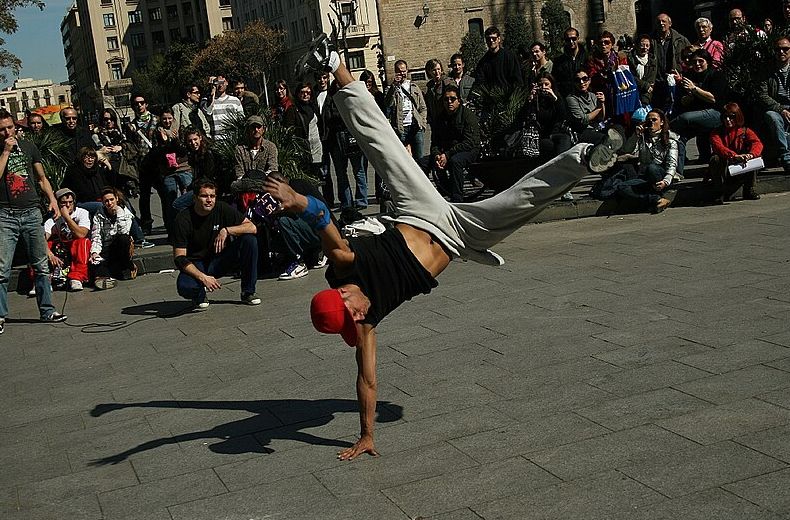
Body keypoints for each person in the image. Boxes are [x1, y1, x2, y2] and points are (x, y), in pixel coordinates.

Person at [286, 35, 624, 459]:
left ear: (340, 293)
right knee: (517, 204)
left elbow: (322, 220)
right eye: (350, 322)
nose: (357, 317)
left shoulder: (343, 266)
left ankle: (335, 64)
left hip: (416, 211)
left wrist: (296, 200)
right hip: (459, 236)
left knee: (384, 147)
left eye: (348, 312)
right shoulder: (365, 323)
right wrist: (367, 434)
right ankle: (586, 156)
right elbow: (367, 380)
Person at [0, 108, 67, 332]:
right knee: (2, 268)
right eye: (2, 129)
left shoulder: (29, 146)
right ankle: (0, 315)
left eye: (10, 127)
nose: (7, 132)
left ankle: (47, 310)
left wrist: (52, 199)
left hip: (31, 212)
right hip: (5, 215)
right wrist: (6, 152)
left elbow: (41, 177)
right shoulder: (2, 149)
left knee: (40, 264)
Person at [172, 179, 260, 309]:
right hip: (196, 263)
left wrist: (227, 230)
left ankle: (248, 291)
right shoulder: (183, 219)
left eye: (212, 196)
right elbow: (179, 258)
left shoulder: (221, 208)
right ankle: (199, 294)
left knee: (249, 240)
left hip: (219, 259)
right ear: (195, 198)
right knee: (185, 287)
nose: (209, 200)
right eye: (204, 196)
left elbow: (252, 227)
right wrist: (203, 278)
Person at [593, 108, 676, 213]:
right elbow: (628, 150)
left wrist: (666, 181)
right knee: (621, 187)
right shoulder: (643, 137)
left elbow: (672, 164)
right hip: (645, 177)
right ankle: (657, 199)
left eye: (654, 120)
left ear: (662, 122)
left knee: (652, 168)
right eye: (648, 120)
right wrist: (635, 135)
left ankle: (653, 198)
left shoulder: (670, 139)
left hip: (661, 176)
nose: (651, 123)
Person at [669, 48, 727, 176]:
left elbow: (713, 98)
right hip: (696, 115)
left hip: (714, 113)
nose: (697, 64)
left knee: (683, 118)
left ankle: (666, 126)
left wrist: (694, 89)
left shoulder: (716, 75)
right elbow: (682, 102)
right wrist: (689, 96)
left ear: (708, 62)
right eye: (694, 62)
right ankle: (676, 172)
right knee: (678, 137)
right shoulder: (689, 76)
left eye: (701, 61)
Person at [419, 84, 480, 203]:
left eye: (453, 99)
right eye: (446, 99)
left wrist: (447, 154)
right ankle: (424, 197)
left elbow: (470, 141)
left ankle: (457, 198)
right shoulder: (440, 118)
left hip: (468, 150)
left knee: (455, 161)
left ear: (459, 100)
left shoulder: (467, 115)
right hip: (447, 152)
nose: (449, 102)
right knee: (422, 162)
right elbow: (435, 141)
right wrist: (437, 154)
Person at [709, 102, 763, 204]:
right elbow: (718, 147)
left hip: (741, 167)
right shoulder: (716, 132)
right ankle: (719, 192)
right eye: (725, 117)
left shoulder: (746, 131)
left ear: (737, 117)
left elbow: (757, 143)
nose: (728, 120)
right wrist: (734, 156)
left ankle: (749, 189)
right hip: (725, 168)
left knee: (756, 156)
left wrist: (751, 154)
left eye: (731, 117)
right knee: (715, 159)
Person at [43, 188, 91, 291]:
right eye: (64, 203)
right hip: (61, 249)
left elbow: (81, 234)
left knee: (83, 242)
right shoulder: (52, 220)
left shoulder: (82, 213)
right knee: (43, 244)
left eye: (70, 202)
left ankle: (77, 278)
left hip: (76, 247)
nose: (68, 205)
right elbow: (42, 239)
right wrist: (50, 254)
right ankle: (43, 280)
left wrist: (66, 217)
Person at [90, 187, 137, 289]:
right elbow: (96, 235)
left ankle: (126, 267)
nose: (109, 203)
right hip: (106, 246)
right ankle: (103, 279)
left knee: (123, 239)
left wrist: (119, 214)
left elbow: (124, 232)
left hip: (120, 244)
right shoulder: (98, 216)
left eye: (111, 200)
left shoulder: (125, 213)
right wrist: (95, 252)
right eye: (106, 201)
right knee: (99, 261)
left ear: (116, 199)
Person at [756, 36, 790, 174]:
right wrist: (781, 110)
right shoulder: (767, 71)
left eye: (785, 49)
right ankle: (786, 157)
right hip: (777, 108)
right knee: (773, 118)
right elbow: (762, 95)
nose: (781, 52)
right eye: (778, 49)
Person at [384, 60, 428, 162]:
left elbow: (422, 107)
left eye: (403, 71)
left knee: (420, 159)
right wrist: (394, 86)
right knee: (405, 161)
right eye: (399, 71)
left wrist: (423, 123)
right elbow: (387, 104)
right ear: (395, 72)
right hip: (401, 128)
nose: (402, 74)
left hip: (415, 127)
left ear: (407, 71)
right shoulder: (391, 88)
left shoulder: (414, 87)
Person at [565, 70, 607, 144]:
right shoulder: (571, 98)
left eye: (584, 79)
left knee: (618, 130)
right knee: (604, 139)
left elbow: (601, 118)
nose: (581, 82)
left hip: (596, 127)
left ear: (589, 81)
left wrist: (602, 103)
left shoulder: (593, 95)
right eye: (578, 80)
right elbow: (583, 120)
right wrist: (599, 108)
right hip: (581, 131)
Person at [234, 115, 279, 181]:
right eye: (253, 127)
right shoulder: (240, 149)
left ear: (263, 129)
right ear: (248, 130)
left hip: (265, 183)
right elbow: (239, 173)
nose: (256, 130)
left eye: (259, 127)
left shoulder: (271, 147)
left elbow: (273, 169)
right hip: (245, 184)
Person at [553, 27, 589, 97]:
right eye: (568, 40)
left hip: (585, 97)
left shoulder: (587, 58)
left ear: (578, 38)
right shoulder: (559, 61)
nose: (571, 42)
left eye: (574, 39)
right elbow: (556, 81)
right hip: (567, 97)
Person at [627, 35, 658, 106]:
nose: (645, 48)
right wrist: (644, 85)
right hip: (632, 92)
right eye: (642, 45)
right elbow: (630, 77)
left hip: (646, 96)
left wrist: (644, 101)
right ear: (637, 46)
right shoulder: (630, 59)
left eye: (647, 45)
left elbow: (651, 82)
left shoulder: (652, 60)